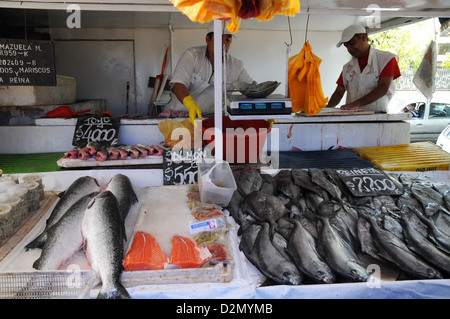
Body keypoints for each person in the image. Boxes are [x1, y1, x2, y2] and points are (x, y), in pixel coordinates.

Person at [166, 21, 254, 124]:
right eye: (219, 39)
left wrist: (265, 112)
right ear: (208, 39)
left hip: (212, 120)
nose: (223, 44)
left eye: (227, 40)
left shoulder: (237, 66)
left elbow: (252, 91)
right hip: (179, 117)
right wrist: (190, 104)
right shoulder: (192, 55)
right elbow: (178, 84)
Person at [326, 24, 401, 113]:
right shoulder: (348, 67)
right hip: (352, 118)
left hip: (377, 117)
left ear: (363, 37)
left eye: (351, 43)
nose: (349, 49)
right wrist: (325, 110)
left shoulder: (386, 59)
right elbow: (338, 93)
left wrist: (355, 104)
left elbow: (383, 88)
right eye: (346, 46)